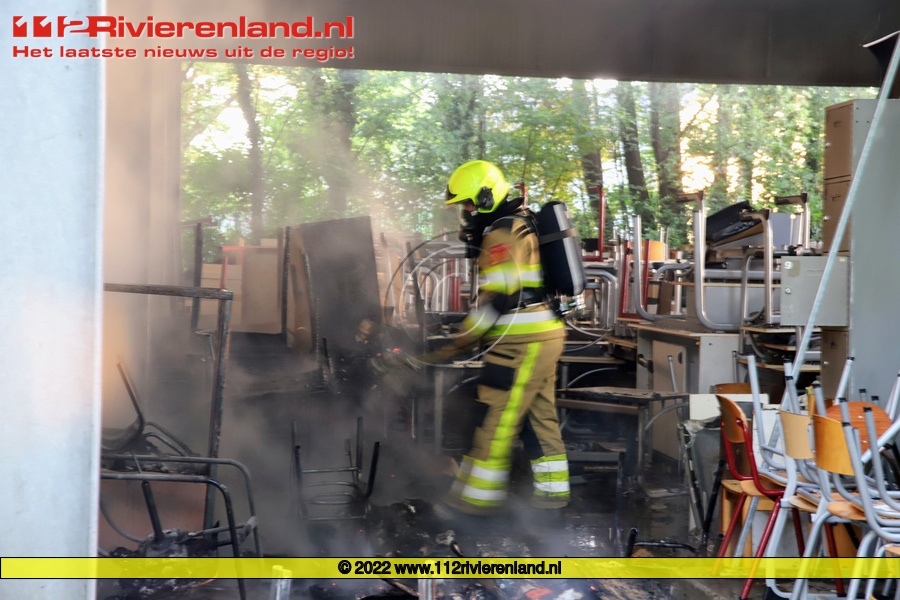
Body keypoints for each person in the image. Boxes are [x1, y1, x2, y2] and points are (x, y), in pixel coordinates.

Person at [425, 159, 570, 517]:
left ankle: (472, 503)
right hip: (544, 332)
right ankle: (552, 501)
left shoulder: (502, 234)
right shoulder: (522, 221)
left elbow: (497, 298)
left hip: (521, 340)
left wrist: (460, 341)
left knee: (497, 418)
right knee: (540, 419)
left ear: (487, 196)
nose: (466, 212)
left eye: (468, 203)